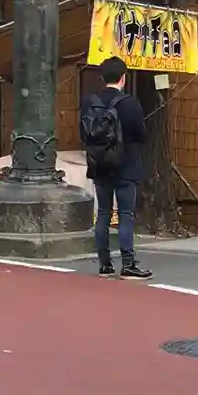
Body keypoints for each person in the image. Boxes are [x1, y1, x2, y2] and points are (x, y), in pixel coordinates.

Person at [80, 57, 151, 279]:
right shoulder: (130, 104)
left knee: (103, 212)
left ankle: (104, 264)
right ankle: (128, 264)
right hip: (126, 165)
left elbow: (84, 133)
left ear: (102, 78)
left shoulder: (90, 102)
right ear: (123, 78)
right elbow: (141, 135)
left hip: (100, 165)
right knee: (125, 214)